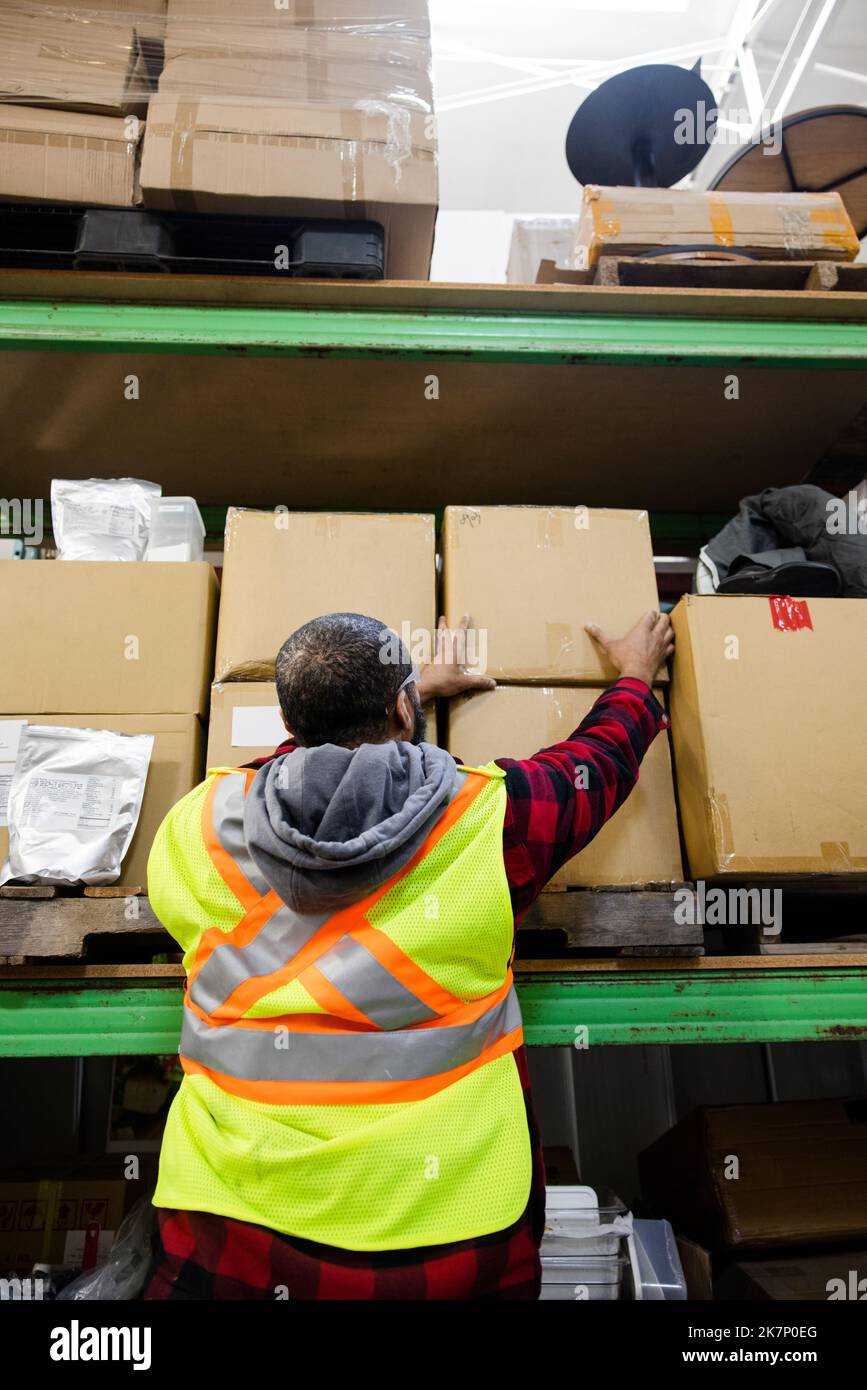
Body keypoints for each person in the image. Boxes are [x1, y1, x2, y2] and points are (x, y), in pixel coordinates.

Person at [144, 608, 674, 1300]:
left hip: (238, 1225)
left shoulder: (196, 828)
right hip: (451, 1225)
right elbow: (596, 764)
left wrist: (371, 706)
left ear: (288, 718)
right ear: (401, 704)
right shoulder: (490, 819)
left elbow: (292, 779)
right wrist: (636, 674)